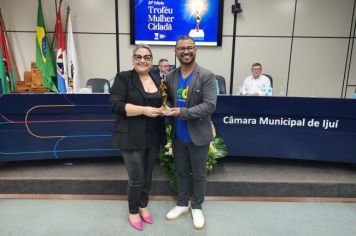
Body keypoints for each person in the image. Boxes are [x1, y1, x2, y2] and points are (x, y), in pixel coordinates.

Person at [109, 44, 166, 231]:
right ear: (133, 59)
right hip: (130, 136)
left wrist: (165, 109)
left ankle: (143, 205)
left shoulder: (156, 78)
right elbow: (116, 106)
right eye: (139, 56)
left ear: (151, 60)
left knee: (148, 175)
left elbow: (162, 101)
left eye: (147, 57)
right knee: (137, 178)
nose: (143, 60)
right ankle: (133, 210)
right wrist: (143, 110)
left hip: (153, 136)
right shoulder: (123, 77)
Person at [164, 35, 217, 230]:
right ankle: (182, 204)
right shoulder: (171, 76)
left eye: (189, 48)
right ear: (176, 52)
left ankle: (196, 206)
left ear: (195, 50)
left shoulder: (206, 75)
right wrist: (166, 107)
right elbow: (168, 100)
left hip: (198, 136)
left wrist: (182, 112)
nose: (185, 51)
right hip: (178, 136)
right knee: (181, 172)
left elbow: (210, 105)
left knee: (199, 174)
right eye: (181, 48)